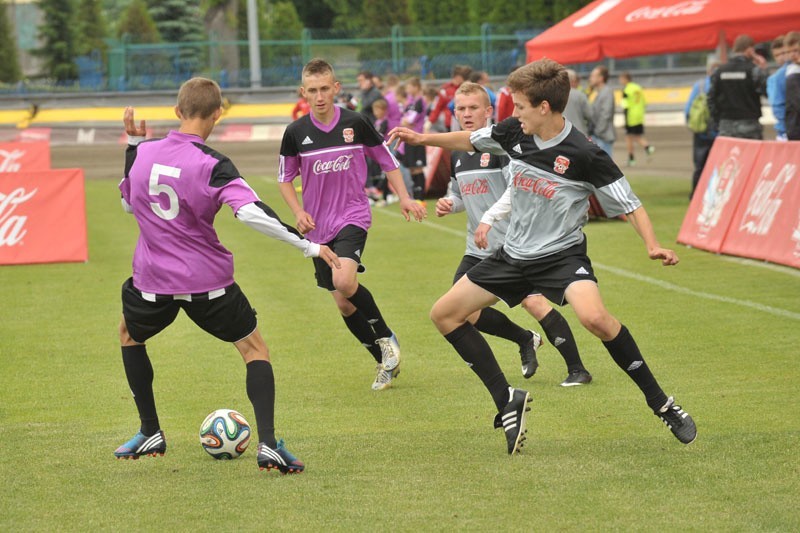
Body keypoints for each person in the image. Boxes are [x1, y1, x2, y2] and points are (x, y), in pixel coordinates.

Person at [389, 59, 696, 454]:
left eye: (518, 106)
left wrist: (652, 245)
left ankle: (662, 403)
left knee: (595, 319)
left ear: (544, 108)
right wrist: (421, 139)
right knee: (444, 314)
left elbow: (630, 204)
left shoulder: (586, 153)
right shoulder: (515, 133)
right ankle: (507, 401)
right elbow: (472, 140)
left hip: (560, 258)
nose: (513, 113)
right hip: (512, 255)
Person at [114, 78, 341, 474]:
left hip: (153, 283)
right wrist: (309, 246)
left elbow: (128, 206)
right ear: (219, 113)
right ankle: (268, 445)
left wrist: (133, 146)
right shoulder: (213, 164)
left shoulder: (146, 153)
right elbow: (251, 212)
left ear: (177, 112)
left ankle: (150, 430)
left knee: (129, 335)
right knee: (254, 350)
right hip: (208, 284)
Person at [278, 59, 427, 391]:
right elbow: (285, 179)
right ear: (303, 93)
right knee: (344, 303)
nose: (319, 96)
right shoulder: (295, 133)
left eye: (324, 89)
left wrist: (403, 196)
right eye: (312, 90)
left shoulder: (356, 123)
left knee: (344, 280)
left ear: (336, 88)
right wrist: (297, 211)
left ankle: (387, 337)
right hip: (317, 226)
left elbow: (386, 160)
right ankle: (383, 361)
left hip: (352, 215)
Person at [438, 81, 592, 386]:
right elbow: (459, 195)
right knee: (462, 313)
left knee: (535, 303)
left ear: (488, 111)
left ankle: (578, 369)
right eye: (461, 109)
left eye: (473, 108)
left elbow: (518, 189)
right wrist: (449, 203)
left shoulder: (502, 148)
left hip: (513, 247)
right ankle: (524, 339)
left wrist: (490, 218)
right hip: (476, 248)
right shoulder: (458, 154)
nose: (466, 114)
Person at [708, 34, 769, 140]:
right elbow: (768, 91)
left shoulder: (719, 71)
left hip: (725, 125)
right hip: (749, 124)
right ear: (749, 49)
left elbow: (711, 99)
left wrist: (718, 120)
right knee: (752, 155)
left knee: (731, 156)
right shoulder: (753, 70)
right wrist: (763, 68)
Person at [685, 62, 720, 198]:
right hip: (717, 131)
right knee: (718, 165)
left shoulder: (699, 86)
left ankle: (695, 195)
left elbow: (688, 109)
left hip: (700, 131)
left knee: (699, 166)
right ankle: (714, 194)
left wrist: (691, 125)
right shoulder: (721, 85)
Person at [401, 77, 428, 201]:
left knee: (418, 168)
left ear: (415, 87)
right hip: (408, 138)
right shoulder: (410, 102)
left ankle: (420, 197)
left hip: (417, 138)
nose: (407, 89)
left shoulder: (420, 102)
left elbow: (410, 120)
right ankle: (415, 196)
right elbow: (404, 120)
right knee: (411, 168)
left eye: (409, 86)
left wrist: (406, 121)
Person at [619, 72, 654, 166]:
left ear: (626, 79)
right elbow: (644, 102)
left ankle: (632, 159)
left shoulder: (626, 90)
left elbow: (625, 106)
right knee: (637, 136)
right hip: (639, 116)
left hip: (631, 116)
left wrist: (626, 121)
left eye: (621, 79)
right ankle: (647, 147)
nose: (620, 81)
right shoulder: (638, 88)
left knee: (629, 138)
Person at [427, 64, 472, 132]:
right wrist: (429, 122)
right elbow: (437, 108)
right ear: (457, 77)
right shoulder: (445, 90)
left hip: (467, 121)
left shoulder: (468, 87)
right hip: (450, 125)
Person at [588, 65, 616, 157]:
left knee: (605, 169)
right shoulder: (599, 92)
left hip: (602, 138)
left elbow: (605, 115)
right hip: (599, 137)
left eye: (593, 76)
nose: (590, 78)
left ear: (601, 78)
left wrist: (597, 133)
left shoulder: (606, 92)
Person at [766, 35, 790, 141]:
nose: (781, 57)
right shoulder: (775, 78)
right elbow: (777, 107)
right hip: (786, 131)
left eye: (784, 53)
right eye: (777, 55)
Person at [562, 69, 592, 135]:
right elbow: (590, 114)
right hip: (579, 133)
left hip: (561, 134)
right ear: (573, 81)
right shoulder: (580, 95)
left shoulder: (556, 94)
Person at [786, 32, 800, 140]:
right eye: (789, 51)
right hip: (796, 130)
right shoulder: (792, 73)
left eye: (795, 50)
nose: (792, 55)